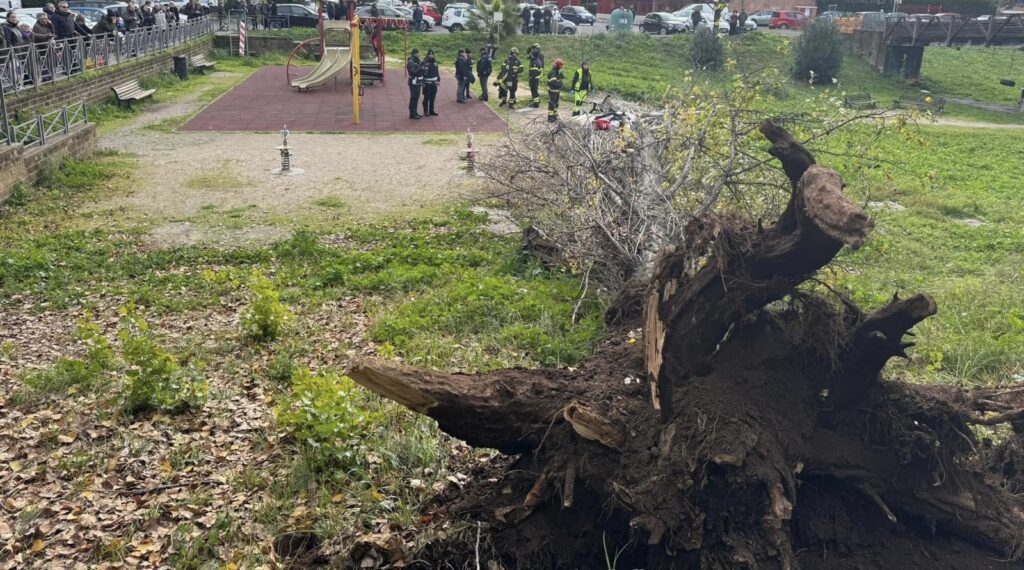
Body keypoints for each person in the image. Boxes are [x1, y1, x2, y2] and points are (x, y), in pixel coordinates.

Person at [420, 49, 440, 116]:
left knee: (433, 97)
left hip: (434, 83)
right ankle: (426, 111)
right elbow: (421, 72)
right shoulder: (424, 62)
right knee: (427, 97)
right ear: (427, 55)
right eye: (430, 54)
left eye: (432, 54)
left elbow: (437, 72)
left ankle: (431, 111)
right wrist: (422, 82)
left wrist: (438, 80)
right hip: (427, 83)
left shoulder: (435, 62)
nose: (431, 55)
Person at [546, 58, 565, 122]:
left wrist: (561, 79)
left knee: (556, 104)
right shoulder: (552, 72)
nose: (561, 68)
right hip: (552, 91)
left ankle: (554, 116)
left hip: (557, 91)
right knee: (552, 104)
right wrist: (561, 82)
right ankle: (550, 118)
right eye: (560, 66)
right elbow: (554, 83)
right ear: (557, 66)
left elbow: (562, 78)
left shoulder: (558, 71)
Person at [407, 48, 423, 119]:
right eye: (419, 53)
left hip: (418, 82)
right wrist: (421, 68)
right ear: (415, 53)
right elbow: (412, 72)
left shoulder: (417, 61)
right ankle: (412, 113)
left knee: (416, 98)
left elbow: (418, 71)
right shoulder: (411, 62)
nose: (420, 54)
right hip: (414, 82)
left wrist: (423, 70)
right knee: (413, 98)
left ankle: (415, 112)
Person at [527, 43, 543, 108]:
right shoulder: (536, 58)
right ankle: (537, 99)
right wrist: (530, 48)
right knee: (535, 90)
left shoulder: (534, 63)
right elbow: (528, 54)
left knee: (534, 90)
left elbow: (533, 73)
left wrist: (531, 80)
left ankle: (536, 104)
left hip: (534, 78)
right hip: (536, 77)